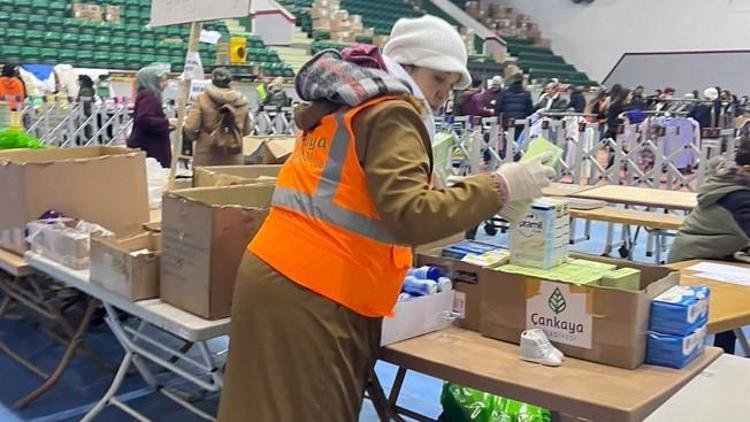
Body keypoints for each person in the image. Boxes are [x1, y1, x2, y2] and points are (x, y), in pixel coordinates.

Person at [217, 15, 556, 422]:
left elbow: (360, 197)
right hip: (318, 291)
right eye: (437, 80)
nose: (441, 96)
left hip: (280, 277)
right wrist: (497, 187)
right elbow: (409, 216)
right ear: (407, 66)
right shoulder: (393, 111)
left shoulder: (350, 103)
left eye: (450, 87)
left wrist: (458, 195)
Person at [668, 138, 750, 354]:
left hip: (715, 258)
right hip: (692, 263)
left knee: (734, 304)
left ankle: (725, 351)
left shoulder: (735, 189)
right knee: (721, 308)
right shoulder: (738, 197)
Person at [184, 68, 251, 167]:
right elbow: (246, 131)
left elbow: (191, 127)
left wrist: (198, 137)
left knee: (205, 181)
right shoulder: (241, 101)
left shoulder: (201, 100)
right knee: (232, 181)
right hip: (233, 154)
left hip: (206, 154)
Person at [126, 66, 174, 167]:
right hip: (150, 147)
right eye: (162, 81)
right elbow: (144, 119)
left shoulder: (148, 95)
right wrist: (167, 122)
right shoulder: (148, 96)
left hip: (149, 144)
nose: (166, 84)